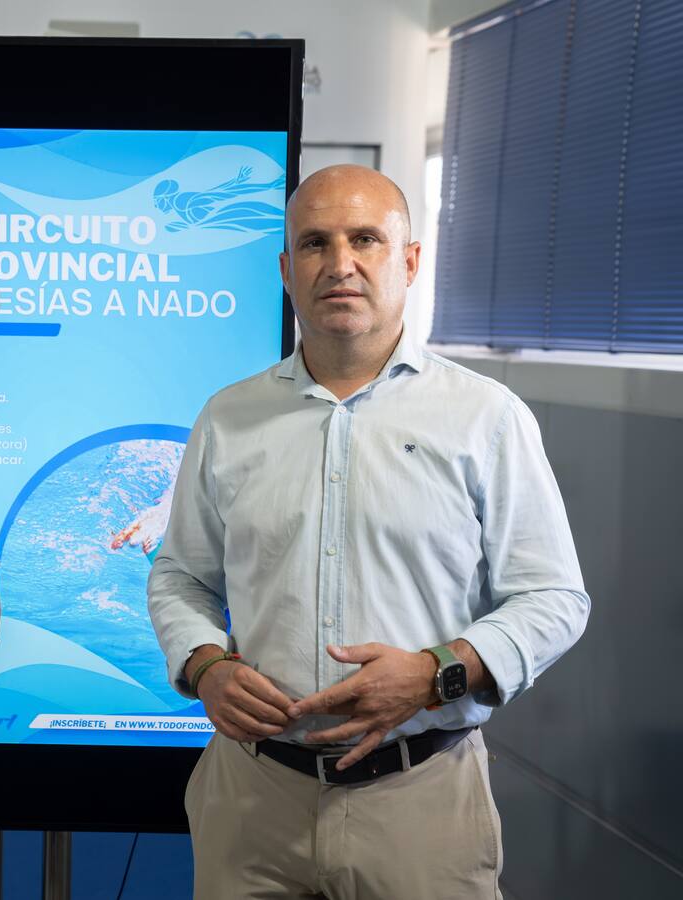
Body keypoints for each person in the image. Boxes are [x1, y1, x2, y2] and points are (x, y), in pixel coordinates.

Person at [147, 166, 589, 900]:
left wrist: (436, 673)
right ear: (287, 270)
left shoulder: (486, 417)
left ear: (409, 261)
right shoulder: (229, 417)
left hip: (421, 800)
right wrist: (203, 665)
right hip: (252, 800)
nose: (340, 263)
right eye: (315, 243)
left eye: (365, 239)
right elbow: (180, 575)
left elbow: (554, 598)